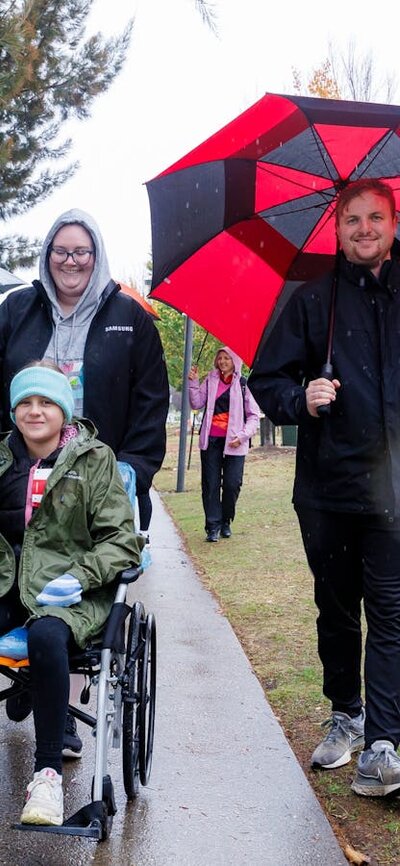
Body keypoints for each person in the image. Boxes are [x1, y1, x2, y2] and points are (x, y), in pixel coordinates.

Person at [248, 177, 400, 798]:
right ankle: (348, 710)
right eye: (352, 221)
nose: (364, 230)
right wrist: (300, 397)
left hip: (394, 492)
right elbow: (266, 381)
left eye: (375, 218)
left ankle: (385, 742)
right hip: (328, 489)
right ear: (336, 230)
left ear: (393, 223)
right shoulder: (314, 301)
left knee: (391, 612)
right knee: (338, 611)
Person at [0, 208, 169, 754]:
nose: (71, 262)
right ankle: (30, 671)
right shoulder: (17, 310)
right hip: (26, 468)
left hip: (98, 478)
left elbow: (151, 402)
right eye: (61, 251)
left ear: (96, 256)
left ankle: (62, 709)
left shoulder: (128, 317)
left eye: (82, 252)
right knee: (22, 554)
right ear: (47, 256)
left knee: (72, 585)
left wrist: (134, 469)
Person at [0, 360, 142, 825]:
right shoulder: (2, 458)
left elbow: (122, 541)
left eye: (46, 402)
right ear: (13, 410)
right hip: (6, 582)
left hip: (70, 590)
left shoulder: (94, 460)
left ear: (64, 411)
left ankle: (46, 777)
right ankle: (32, 688)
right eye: (25, 402)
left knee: (45, 638)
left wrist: (80, 577)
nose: (34, 411)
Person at [188, 346, 260, 542]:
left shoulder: (243, 384)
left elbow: (254, 416)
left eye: (227, 358)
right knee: (210, 484)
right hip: (211, 440)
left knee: (232, 484)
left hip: (235, 442)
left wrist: (243, 436)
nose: (222, 362)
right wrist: (193, 382)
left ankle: (226, 520)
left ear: (235, 361)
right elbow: (196, 403)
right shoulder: (210, 380)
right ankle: (212, 526)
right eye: (220, 358)